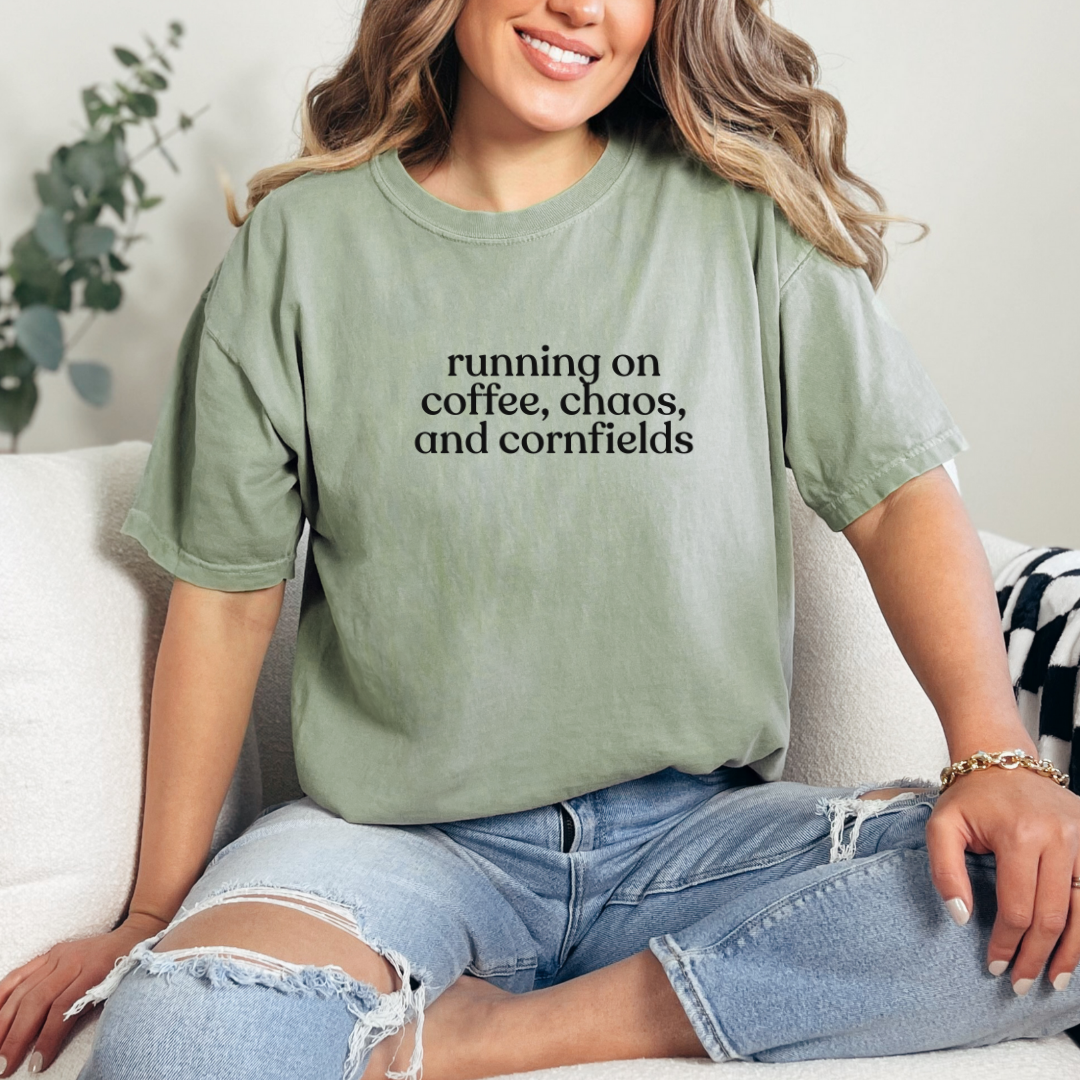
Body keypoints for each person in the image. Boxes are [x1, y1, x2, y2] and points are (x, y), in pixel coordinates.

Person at [2, 1, 1079, 1077]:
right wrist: (151, 913)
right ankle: (695, 996)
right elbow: (227, 599)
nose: (580, 9)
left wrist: (997, 758)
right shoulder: (301, 246)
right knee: (182, 1039)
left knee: (1056, 893)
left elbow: (896, 500)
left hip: (700, 845)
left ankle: (502, 1032)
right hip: (392, 845)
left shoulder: (746, 221)